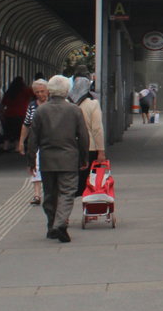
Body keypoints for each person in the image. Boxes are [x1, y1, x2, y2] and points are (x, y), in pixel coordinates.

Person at [26, 74, 89, 243]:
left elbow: (33, 138)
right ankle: (60, 224)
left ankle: (51, 225)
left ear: (50, 90)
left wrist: (31, 161)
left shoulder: (41, 110)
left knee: (50, 194)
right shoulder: (75, 110)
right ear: (66, 90)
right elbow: (83, 136)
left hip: (46, 159)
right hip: (69, 158)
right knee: (67, 193)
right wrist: (84, 157)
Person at [70, 75, 105, 195]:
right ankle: (88, 199)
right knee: (89, 179)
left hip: (71, 147)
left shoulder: (68, 104)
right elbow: (97, 129)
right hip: (90, 147)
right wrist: (101, 150)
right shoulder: (93, 104)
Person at [17, 78, 49, 204]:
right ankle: (36, 194)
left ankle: (49, 193)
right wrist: (21, 142)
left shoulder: (53, 104)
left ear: (48, 91)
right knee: (35, 166)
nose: (40, 94)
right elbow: (26, 124)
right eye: (37, 92)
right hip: (36, 141)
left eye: (42, 91)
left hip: (50, 140)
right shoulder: (32, 105)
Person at [0, 76, 32, 151]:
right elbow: (33, 94)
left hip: (9, 114)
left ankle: (5, 146)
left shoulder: (9, 92)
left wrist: (1, 113)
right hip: (21, 115)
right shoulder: (25, 91)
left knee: (7, 132)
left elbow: (3, 104)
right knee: (19, 132)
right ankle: (17, 147)